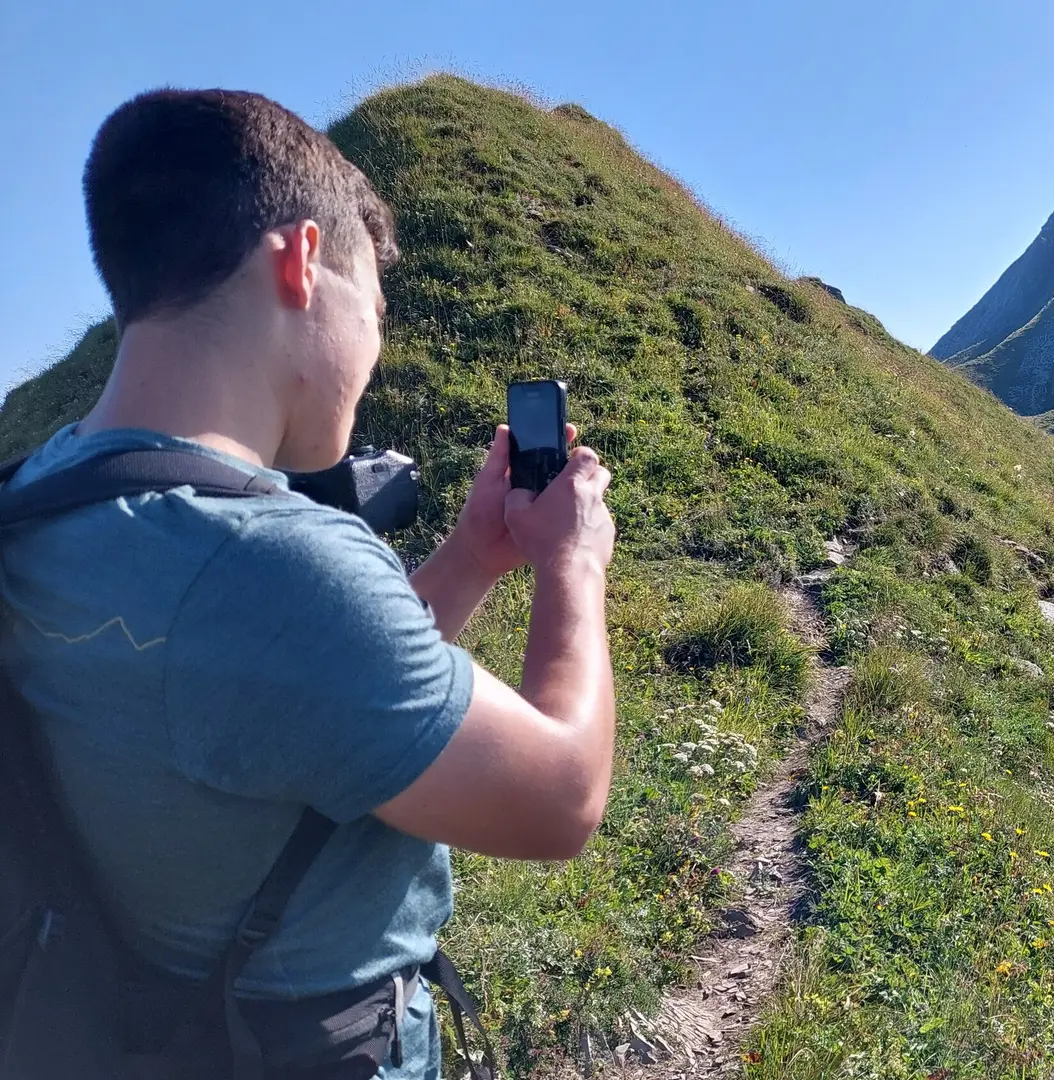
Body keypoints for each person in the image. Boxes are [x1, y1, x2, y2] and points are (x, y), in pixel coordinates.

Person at [0, 89, 617, 1077]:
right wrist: (572, 566)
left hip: (127, 1028)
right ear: (300, 262)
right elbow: (562, 798)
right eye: (372, 309)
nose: (372, 354)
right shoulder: (270, 565)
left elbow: (288, 695)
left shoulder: (38, 503)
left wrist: (470, 559)